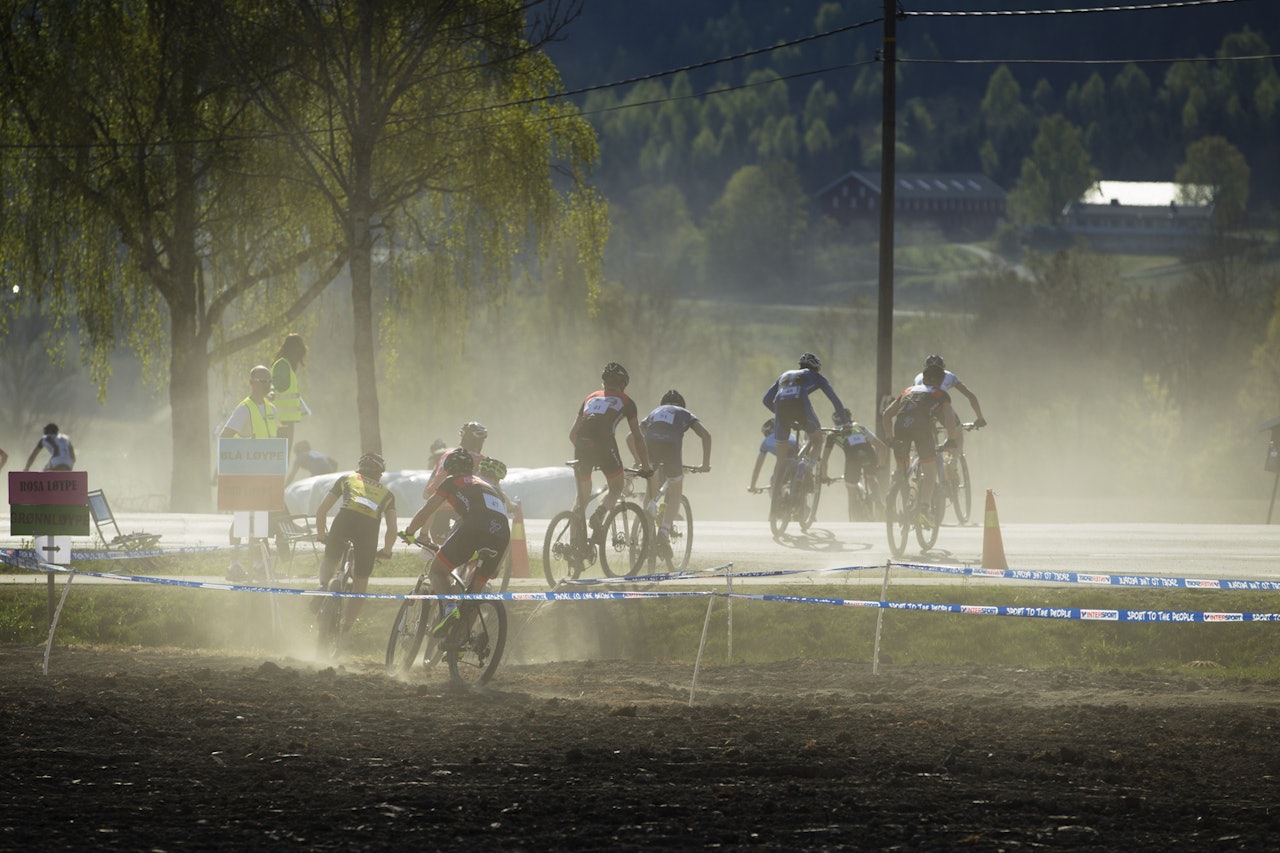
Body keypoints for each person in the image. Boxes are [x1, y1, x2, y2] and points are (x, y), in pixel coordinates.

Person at [403, 447, 511, 640]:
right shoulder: (492, 489)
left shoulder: (452, 481)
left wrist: (410, 532)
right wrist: (499, 565)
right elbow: (503, 527)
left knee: (437, 571)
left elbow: (428, 509)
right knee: (473, 598)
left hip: (475, 527)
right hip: (501, 535)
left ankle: (450, 607)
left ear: (449, 468)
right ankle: (459, 644)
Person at [314, 452, 398, 633]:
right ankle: (347, 627)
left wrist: (322, 536)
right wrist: (387, 551)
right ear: (380, 474)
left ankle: (321, 586)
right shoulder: (387, 494)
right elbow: (392, 530)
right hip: (368, 531)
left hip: (344, 521)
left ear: (359, 468)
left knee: (330, 559)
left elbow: (321, 510)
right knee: (361, 580)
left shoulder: (347, 478)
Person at [569, 362, 650, 533]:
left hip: (582, 446)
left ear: (604, 383)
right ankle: (599, 515)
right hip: (604, 445)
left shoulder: (589, 397)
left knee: (581, 499)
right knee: (616, 487)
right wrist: (646, 466)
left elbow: (572, 435)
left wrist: (588, 453)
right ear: (623, 385)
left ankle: (573, 550)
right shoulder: (626, 401)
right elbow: (637, 436)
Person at [630, 390, 711, 555]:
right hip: (671, 448)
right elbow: (706, 436)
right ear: (682, 405)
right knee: (675, 493)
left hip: (650, 445)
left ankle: (647, 528)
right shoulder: (686, 413)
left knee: (651, 491)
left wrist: (639, 460)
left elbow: (630, 437)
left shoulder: (654, 412)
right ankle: (664, 532)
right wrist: (705, 464)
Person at [882, 363, 961, 529]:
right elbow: (948, 417)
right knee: (930, 472)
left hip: (901, 429)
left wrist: (889, 438)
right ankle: (924, 510)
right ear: (940, 381)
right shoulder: (941, 394)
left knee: (901, 469)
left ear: (923, 379)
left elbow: (887, 414)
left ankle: (895, 497)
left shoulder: (907, 391)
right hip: (922, 431)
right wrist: (952, 439)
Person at [761, 352, 846, 503]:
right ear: (816, 368)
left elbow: (767, 400)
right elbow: (835, 400)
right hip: (800, 404)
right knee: (818, 440)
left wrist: (782, 416)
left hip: (780, 406)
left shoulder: (784, 375)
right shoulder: (817, 377)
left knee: (780, 461)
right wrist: (845, 423)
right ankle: (804, 467)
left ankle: (776, 500)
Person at [421, 422, 491, 541]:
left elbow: (428, 491)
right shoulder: (482, 461)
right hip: (465, 509)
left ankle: (425, 539)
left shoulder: (447, 455)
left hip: (437, 507)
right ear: (480, 442)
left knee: (440, 550)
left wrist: (423, 532)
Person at [821, 408, 890, 520]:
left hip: (852, 459)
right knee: (871, 478)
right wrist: (881, 466)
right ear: (851, 418)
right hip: (870, 456)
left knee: (851, 491)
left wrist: (824, 477)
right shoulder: (860, 428)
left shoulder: (832, 433)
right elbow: (882, 448)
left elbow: (824, 460)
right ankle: (880, 505)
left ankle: (854, 519)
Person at [913, 354, 986, 448]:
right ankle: (953, 458)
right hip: (939, 406)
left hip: (919, 409)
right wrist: (980, 418)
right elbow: (970, 396)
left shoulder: (918, 377)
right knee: (957, 432)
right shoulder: (948, 375)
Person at [270, 333, 310, 443]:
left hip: (287, 421)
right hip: (280, 422)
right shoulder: (282, 365)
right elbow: (271, 385)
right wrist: (271, 392)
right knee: (281, 458)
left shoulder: (287, 366)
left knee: (284, 458)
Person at [219, 365, 278, 439]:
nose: (267, 384)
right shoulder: (244, 409)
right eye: (263, 381)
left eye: (270, 381)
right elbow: (224, 438)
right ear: (251, 382)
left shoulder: (272, 409)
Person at [748, 418, 797, 495]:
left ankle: (779, 504)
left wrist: (752, 486)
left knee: (773, 481)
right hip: (798, 460)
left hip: (784, 462)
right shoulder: (792, 435)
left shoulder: (765, 442)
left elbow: (757, 469)